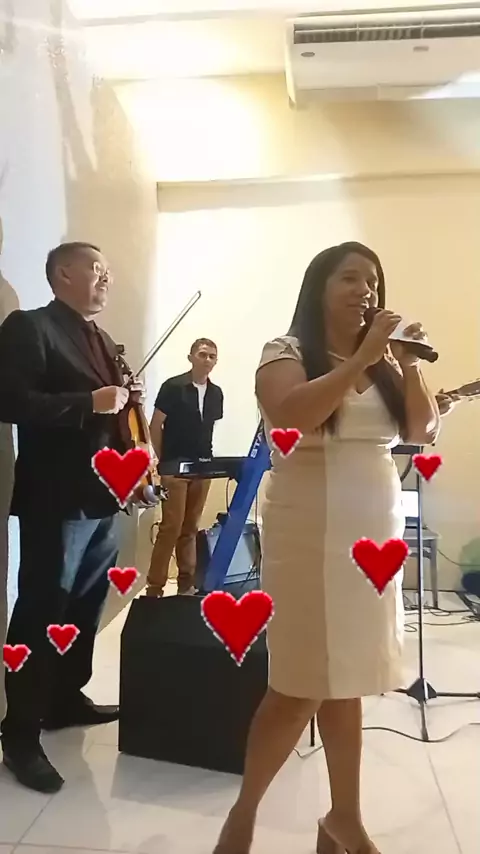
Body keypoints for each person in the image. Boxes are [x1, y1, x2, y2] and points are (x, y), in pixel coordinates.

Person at [213, 242, 440, 854]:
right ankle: (243, 817)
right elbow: (294, 416)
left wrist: (408, 364)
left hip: (373, 537)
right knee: (298, 684)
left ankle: (344, 818)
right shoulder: (285, 352)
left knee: (347, 679)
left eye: (373, 281)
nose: (365, 291)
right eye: (350, 278)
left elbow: (421, 430)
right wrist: (362, 358)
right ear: (319, 287)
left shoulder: (386, 364)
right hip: (307, 533)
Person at [0, 241, 138, 794]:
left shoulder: (102, 338)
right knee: (42, 611)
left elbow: (115, 416)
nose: (107, 278)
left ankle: (64, 698)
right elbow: (11, 402)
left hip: (104, 496)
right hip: (56, 500)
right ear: (63, 273)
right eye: (97, 269)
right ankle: (20, 734)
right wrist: (89, 403)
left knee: (84, 607)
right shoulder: (29, 326)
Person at [146, 339, 223, 597]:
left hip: (202, 468)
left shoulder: (216, 393)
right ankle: (155, 586)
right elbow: (155, 425)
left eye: (212, 356)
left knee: (190, 527)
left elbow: (208, 429)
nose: (207, 359)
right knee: (171, 527)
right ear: (190, 357)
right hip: (175, 468)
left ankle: (186, 585)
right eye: (202, 354)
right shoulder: (173, 387)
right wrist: (163, 460)